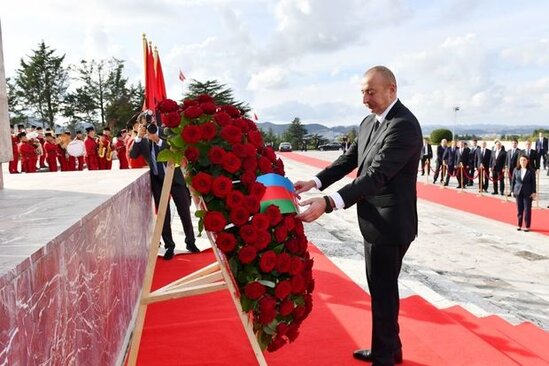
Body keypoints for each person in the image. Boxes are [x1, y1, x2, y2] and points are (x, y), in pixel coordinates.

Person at [295, 66, 422, 366]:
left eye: (371, 91)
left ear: (392, 89)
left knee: (383, 290)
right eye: (362, 92)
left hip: (391, 223)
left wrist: (329, 202)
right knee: (382, 288)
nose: (365, 98)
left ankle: (384, 357)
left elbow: (376, 175)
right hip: (374, 222)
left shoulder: (404, 125)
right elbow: (348, 160)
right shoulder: (369, 122)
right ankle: (391, 349)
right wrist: (315, 182)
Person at [130, 122, 199, 259]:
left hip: (176, 180)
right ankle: (169, 246)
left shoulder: (165, 135)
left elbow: (174, 148)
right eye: (144, 126)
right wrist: (139, 136)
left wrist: (156, 139)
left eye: (151, 126)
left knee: (184, 211)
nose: (149, 129)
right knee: (163, 215)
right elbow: (133, 155)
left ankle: (190, 242)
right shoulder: (142, 142)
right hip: (158, 182)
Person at [511, 154, 536, 232]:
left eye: (524, 160)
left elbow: (533, 182)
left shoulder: (531, 171)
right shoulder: (516, 169)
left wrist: (534, 192)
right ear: (519, 161)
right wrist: (512, 191)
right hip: (518, 192)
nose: (523, 161)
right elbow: (513, 181)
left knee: (527, 209)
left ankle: (527, 226)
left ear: (527, 161)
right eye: (521, 160)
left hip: (528, 192)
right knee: (519, 209)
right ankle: (519, 224)